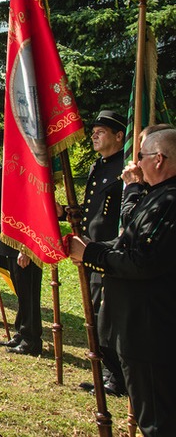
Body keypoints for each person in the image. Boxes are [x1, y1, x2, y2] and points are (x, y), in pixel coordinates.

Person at [68, 128, 176, 437]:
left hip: (150, 330)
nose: (137, 164)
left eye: (141, 157)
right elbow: (127, 240)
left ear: (158, 159)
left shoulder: (168, 201)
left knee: (158, 420)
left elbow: (142, 260)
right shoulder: (157, 195)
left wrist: (92, 255)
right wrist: (92, 250)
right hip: (138, 328)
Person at [73, 110, 127, 392]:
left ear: (119, 136)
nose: (94, 134)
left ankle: (117, 378)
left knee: (109, 319)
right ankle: (109, 374)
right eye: (94, 130)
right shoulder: (98, 167)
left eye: (101, 131)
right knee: (94, 315)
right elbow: (92, 210)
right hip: (91, 252)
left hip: (111, 252)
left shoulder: (127, 170)